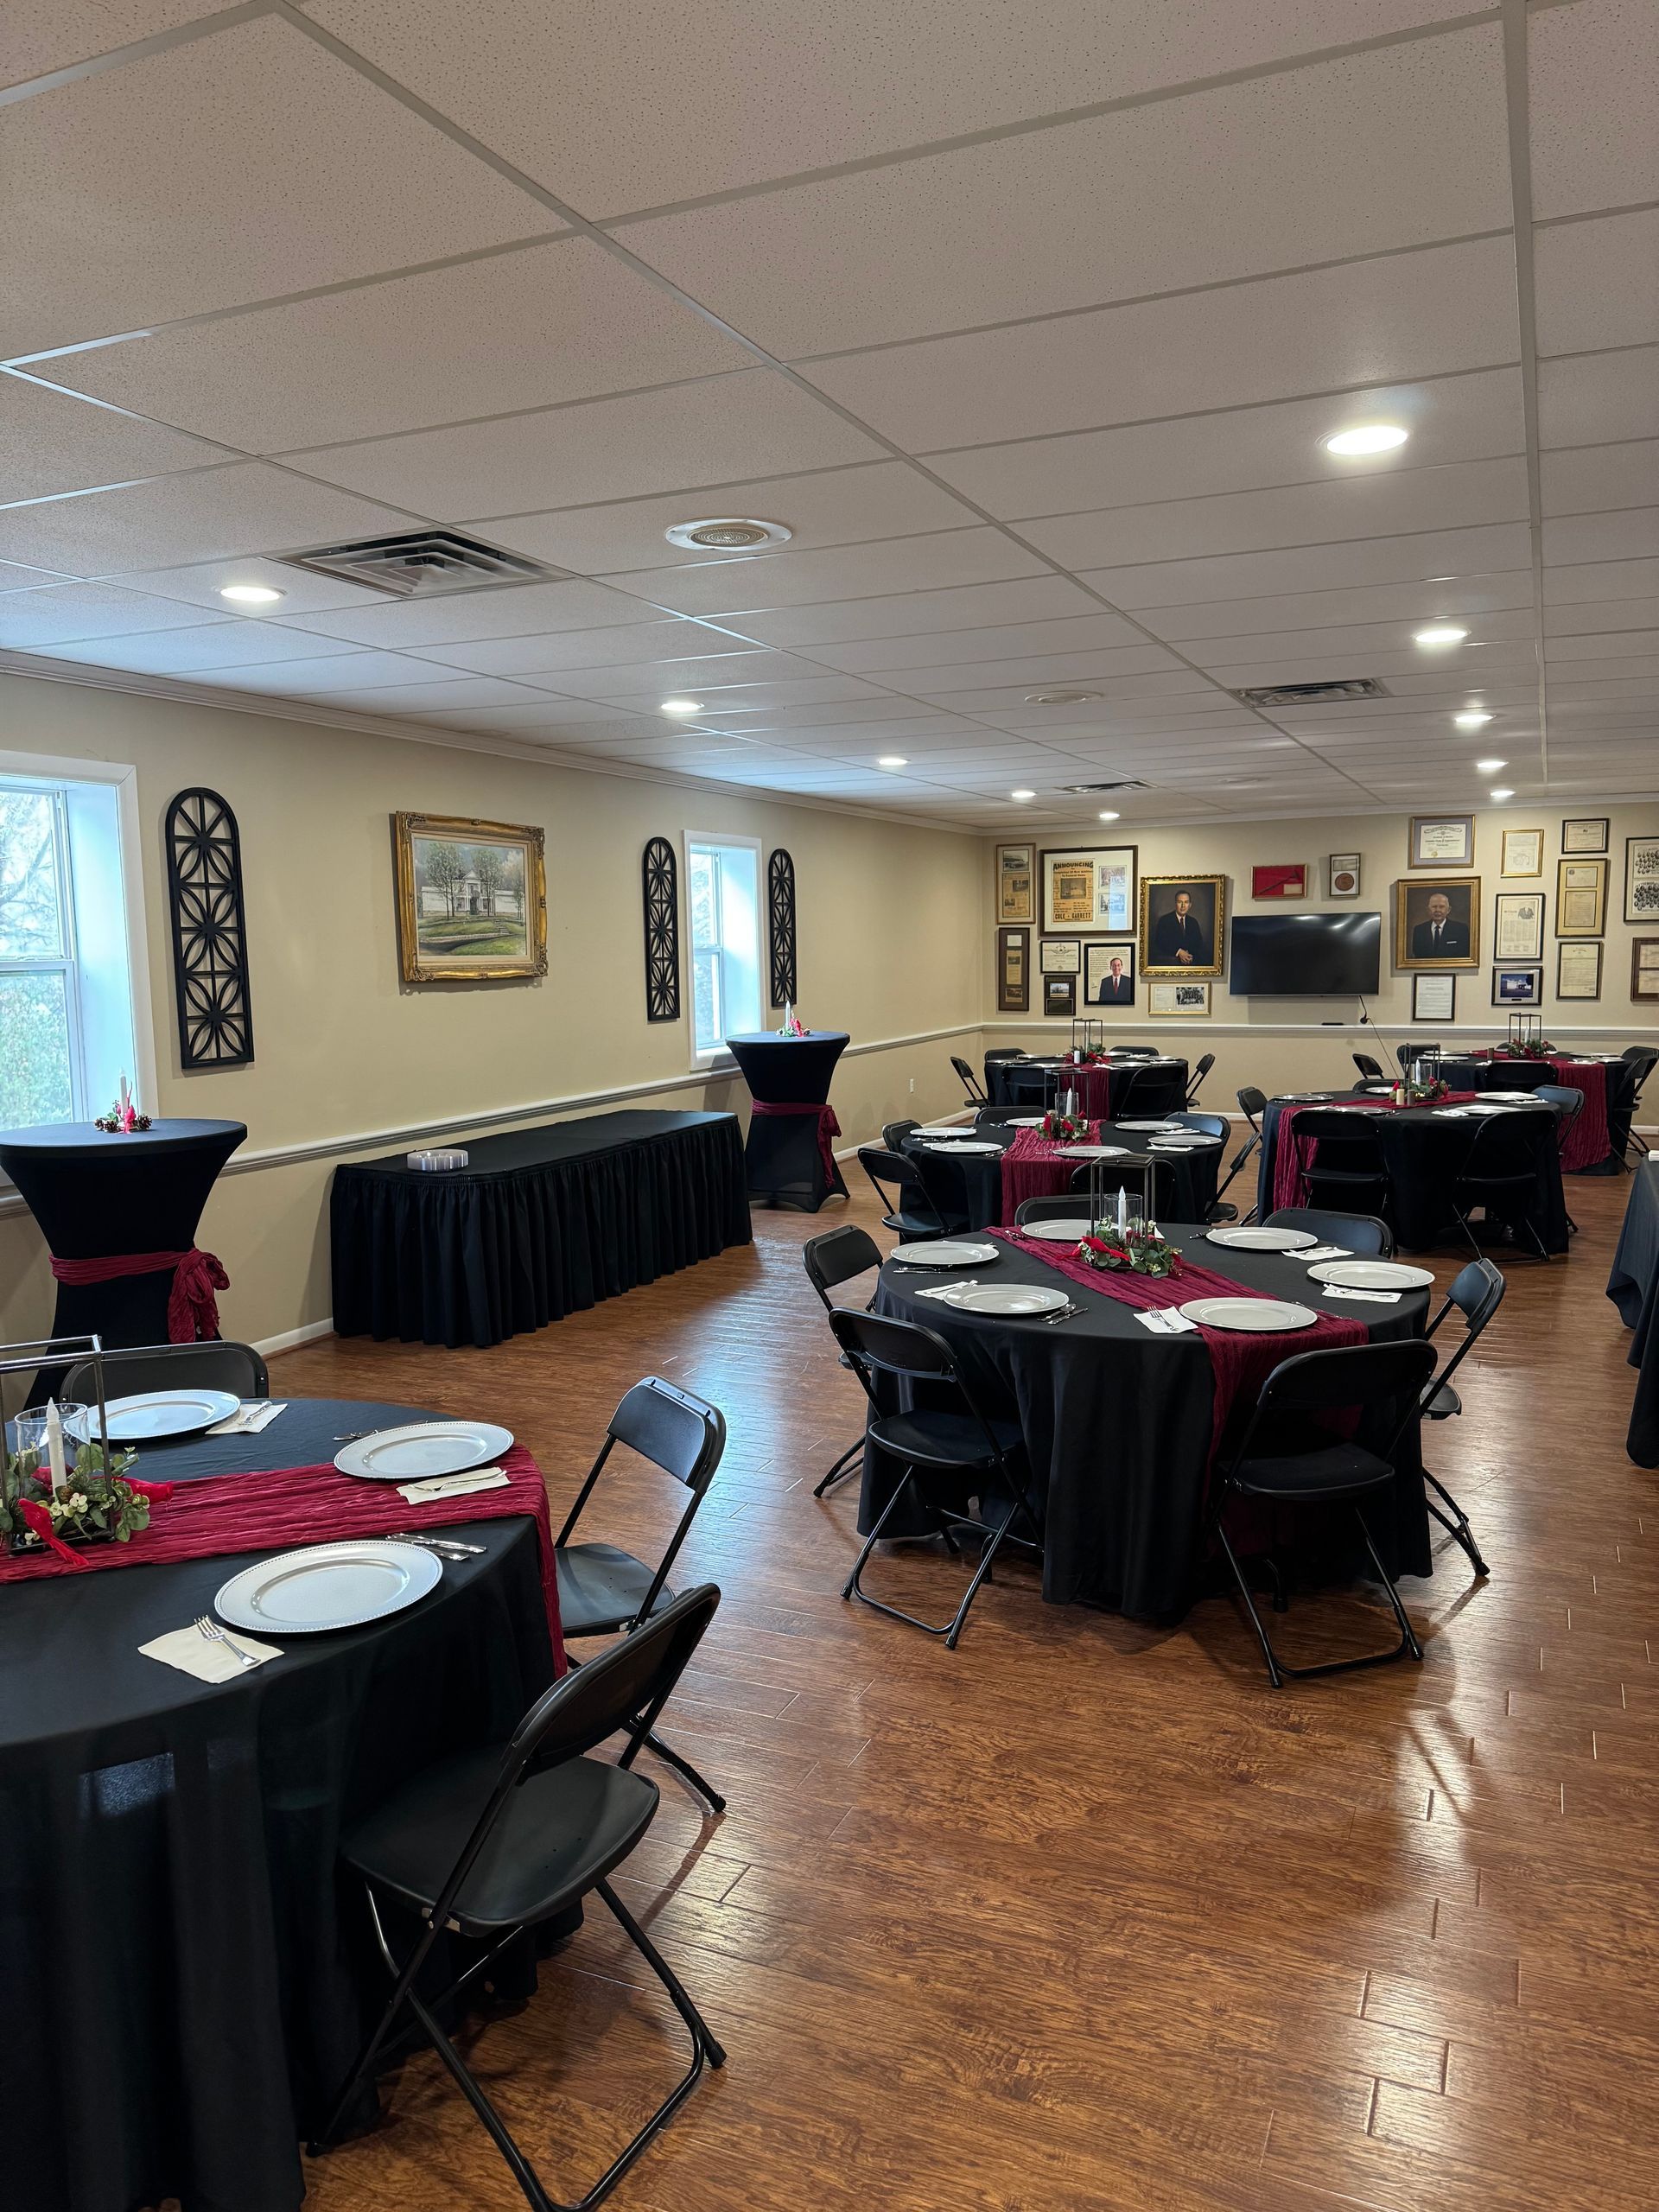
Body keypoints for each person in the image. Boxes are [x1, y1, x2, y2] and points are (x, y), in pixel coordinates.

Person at [1151, 889, 1211, 966]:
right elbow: (1160, 942)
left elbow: (1198, 943)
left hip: (1190, 962)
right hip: (1170, 964)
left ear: (1190, 905)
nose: (1183, 906)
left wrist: (1188, 955)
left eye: (1186, 902)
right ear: (1175, 904)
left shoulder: (1193, 922)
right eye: (1180, 902)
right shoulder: (1164, 920)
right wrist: (1179, 952)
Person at [1411, 889, 1469, 959]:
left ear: (1448, 910)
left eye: (1441, 907)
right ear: (1428, 910)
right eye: (1434, 907)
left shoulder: (1461, 929)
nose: (1437, 910)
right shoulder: (1419, 930)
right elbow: (1417, 956)